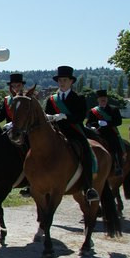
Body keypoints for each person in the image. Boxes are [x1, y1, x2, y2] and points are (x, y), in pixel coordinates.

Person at [45, 65, 99, 204]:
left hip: (74, 130)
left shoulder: (78, 98)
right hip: (56, 131)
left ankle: (88, 187)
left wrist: (65, 116)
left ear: (71, 82)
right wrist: (51, 117)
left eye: (64, 80)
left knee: (86, 150)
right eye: (60, 80)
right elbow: (47, 115)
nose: (62, 83)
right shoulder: (52, 99)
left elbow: (80, 116)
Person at [86, 89, 124, 176]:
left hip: (110, 132)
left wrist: (107, 123)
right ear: (98, 100)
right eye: (101, 99)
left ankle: (118, 166)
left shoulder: (114, 109)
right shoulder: (93, 111)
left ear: (107, 99)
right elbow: (88, 123)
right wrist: (93, 126)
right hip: (97, 132)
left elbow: (118, 121)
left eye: (104, 99)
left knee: (116, 146)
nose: (103, 100)